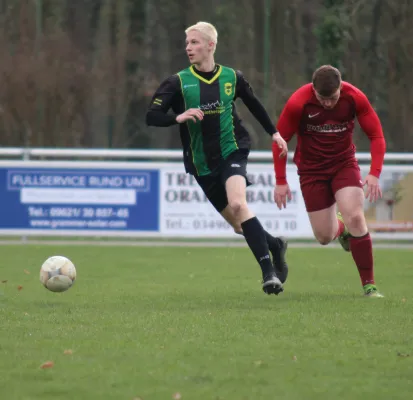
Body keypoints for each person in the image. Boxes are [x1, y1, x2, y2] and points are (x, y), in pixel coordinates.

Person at [146, 21, 288, 295]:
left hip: (232, 149)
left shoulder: (232, 77)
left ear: (210, 45)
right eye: (187, 43)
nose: (189, 48)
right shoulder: (177, 82)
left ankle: (269, 273)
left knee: (238, 203)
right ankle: (274, 244)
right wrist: (179, 116)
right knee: (239, 225)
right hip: (201, 163)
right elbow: (151, 116)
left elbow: (253, 103)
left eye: (195, 43)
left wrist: (274, 133)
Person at [272, 64, 386, 298]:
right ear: (313, 90)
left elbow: (376, 135)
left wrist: (374, 173)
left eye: (332, 98)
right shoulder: (298, 102)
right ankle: (341, 229)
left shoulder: (354, 98)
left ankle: (369, 285)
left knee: (356, 215)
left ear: (341, 88)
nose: (327, 103)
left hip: (343, 164)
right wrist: (281, 180)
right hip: (311, 170)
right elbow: (280, 141)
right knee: (324, 236)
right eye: (322, 99)